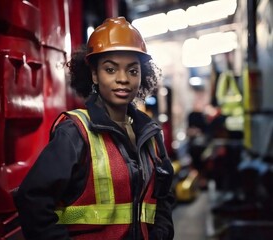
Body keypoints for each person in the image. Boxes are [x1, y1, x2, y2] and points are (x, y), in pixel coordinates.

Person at [14, 16, 175, 240]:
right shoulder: (75, 132)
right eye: (110, 70)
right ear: (94, 75)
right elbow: (33, 200)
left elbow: (163, 198)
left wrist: (162, 233)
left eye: (133, 71)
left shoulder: (150, 134)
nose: (123, 79)